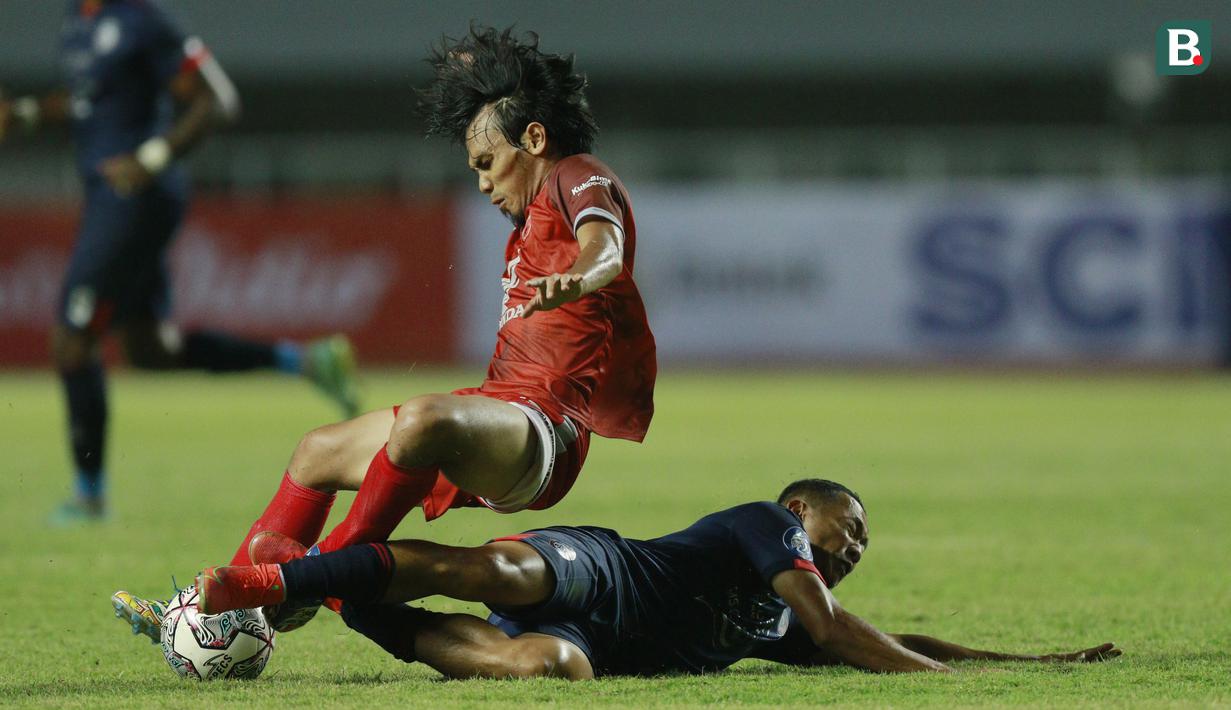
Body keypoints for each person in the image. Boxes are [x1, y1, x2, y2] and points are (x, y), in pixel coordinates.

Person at [111, 25, 656, 638]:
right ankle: (209, 620)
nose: (481, 182)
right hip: (492, 412)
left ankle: (314, 578)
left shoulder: (575, 174)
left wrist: (579, 280)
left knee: (423, 418)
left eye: (486, 163)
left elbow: (604, 247)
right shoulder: (530, 212)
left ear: (534, 138)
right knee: (317, 451)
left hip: (542, 432)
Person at [0, 0, 360, 525]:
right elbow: (90, 101)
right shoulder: (78, 21)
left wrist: (151, 158)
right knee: (150, 348)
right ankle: (304, 361)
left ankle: (89, 497)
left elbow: (218, 100)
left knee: (72, 340)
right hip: (110, 196)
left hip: (135, 197)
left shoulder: (143, 19)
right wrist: (27, 114)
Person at [186, 478, 1121, 678]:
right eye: (853, 524)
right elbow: (840, 628)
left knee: (551, 669)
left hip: (599, 641)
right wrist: (944, 689)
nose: (859, 542)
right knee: (499, 571)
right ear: (801, 513)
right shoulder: (765, 531)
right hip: (604, 571)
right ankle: (276, 584)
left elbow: (872, 637)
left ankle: (345, 599)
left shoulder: (774, 626)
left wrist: (1028, 660)